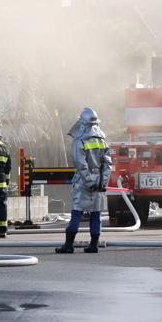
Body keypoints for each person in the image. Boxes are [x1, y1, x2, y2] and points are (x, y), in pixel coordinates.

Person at [55, 107, 113, 255]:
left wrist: (88, 181)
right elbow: (107, 164)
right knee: (96, 214)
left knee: (76, 212)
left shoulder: (79, 141)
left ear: (82, 123)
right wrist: (102, 182)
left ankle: (68, 245)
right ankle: (93, 245)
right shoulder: (102, 141)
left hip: (83, 182)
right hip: (99, 182)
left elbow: (80, 164)